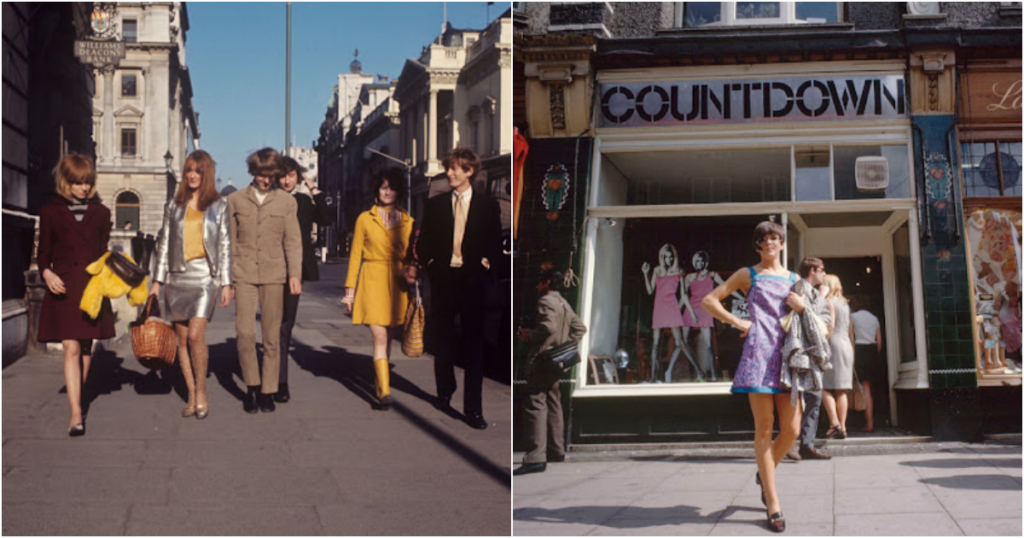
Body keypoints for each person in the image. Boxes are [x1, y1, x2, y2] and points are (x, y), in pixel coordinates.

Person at [701, 220, 802, 533]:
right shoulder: (749, 274)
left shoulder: (796, 279)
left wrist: (801, 307)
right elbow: (709, 300)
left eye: (775, 238)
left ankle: (765, 467)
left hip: (788, 357)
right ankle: (773, 502)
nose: (770, 243)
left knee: (792, 429)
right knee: (764, 426)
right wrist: (737, 322)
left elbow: (817, 320)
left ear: (783, 244)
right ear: (758, 245)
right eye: (764, 239)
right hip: (759, 353)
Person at [409, 147, 502, 430]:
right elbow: (423, 245)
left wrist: (486, 265)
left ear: (469, 172)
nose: (449, 173)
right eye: (448, 168)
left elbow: (495, 245)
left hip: (474, 280)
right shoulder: (436, 206)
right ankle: (444, 391)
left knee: (475, 346)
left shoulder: (488, 206)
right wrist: (434, 265)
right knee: (443, 340)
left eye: (454, 168)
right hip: (444, 279)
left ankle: (473, 409)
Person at [151, 150, 233, 420]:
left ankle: (202, 392)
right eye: (189, 170)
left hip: (204, 278)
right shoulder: (173, 206)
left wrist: (226, 282)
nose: (192, 175)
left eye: (198, 170)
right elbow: (163, 245)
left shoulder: (219, 206)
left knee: (196, 335)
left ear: (206, 173)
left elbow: (225, 246)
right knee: (182, 339)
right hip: (177, 276)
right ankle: (191, 393)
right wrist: (157, 281)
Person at [37, 153, 115, 437]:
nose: (83, 187)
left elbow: (103, 251)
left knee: (84, 347)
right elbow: (43, 252)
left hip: (91, 288)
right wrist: (47, 273)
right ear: (65, 182)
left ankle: (78, 398)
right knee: (70, 347)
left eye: (87, 182)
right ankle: (75, 412)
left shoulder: (102, 213)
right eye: (77, 182)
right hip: (64, 287)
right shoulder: (50, 212)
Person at [226, 147, 302, 414]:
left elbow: (293, 241)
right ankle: (251, 387)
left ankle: (269, 390)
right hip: (243, 273)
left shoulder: (286, 202)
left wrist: (295, 274)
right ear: (253, 171)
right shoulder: (234, 200)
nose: (265, 180)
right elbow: (228, 242)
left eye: (270, 175)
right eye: (261, 174)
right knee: (245, 334)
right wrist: (227, 280)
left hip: (274, 275)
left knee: (272, 336)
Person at [342, 168, 414, 410]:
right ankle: (384, 391)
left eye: (392, 187)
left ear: (398, 191)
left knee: (388, 337)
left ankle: (379, 378)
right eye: (383, 187)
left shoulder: (408, 221)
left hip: (397, 283)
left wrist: (412, 271)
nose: (387, 191)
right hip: (371, 279)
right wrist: (350, 290)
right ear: (377, 189)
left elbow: (411, 257)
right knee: (379, 336)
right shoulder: (364, 218)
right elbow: (355, 257)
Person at [513, 269, 586, 476]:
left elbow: (549, 328)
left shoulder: (546, 301)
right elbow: (580, 328)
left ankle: (535, 457)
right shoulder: (563, 302)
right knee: (554, 402)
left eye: (539, 283)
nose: (537, 287)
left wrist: (530, 335)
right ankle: (556, 450)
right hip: (557, 363)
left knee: (535, 403)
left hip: (542, 360)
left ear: (546, 283)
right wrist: (566, 345)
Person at [276, 156, 334, 403]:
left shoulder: (302, 199)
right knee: (274, 325)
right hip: (271, 268)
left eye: (291, 176)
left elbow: (327, 218)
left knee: (286, 325)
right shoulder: (270, 200)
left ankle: (281, 381)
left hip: (295, 270)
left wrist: (314, 189)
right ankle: (272, 377)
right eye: (282, 176)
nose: (287, 180)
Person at [785, 257, 832, 462]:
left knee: (814, 397)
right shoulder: (798, 289)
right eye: (821, 270)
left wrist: (809, 311)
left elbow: (825, 323)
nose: (824, 274)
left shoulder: (817, 296)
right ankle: (787, 443)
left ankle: (806, 444)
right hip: (799, 350)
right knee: (795, 398)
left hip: (813, 352)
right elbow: (798, 319)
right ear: (812, 270)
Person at [682, 250, 744, 381]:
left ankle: (714, 374)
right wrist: (676, 310)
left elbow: (727, 287)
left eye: (701, 260)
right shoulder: (690, 277)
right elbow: (684, 297)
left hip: (705, 309)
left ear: (705, 262)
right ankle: (699, 371)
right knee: (682, 342)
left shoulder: (712, 275)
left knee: (708, 344)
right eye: (697, 261)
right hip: (690, 310)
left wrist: (743, 298)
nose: (699, 263)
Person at [640, 244, 698, 382]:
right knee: (655, 343)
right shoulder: (657, 270)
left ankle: (699, 372)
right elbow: (650, 291)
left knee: (680, 342)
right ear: (661, 257)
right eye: (666, 257)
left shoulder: (679, 271)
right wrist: (645, 273)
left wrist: (692, 313)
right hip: (659, 306)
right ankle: (653, 378)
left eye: (671, 257)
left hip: (672, 307)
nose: (669, 260)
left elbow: (683, 295)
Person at [821, 274, 853, 440]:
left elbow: (830, 326)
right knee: (842, 389)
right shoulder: (845, 304)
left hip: (832, 345)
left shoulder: (828, 302)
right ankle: (843, 426)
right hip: (846, 346)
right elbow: (850, 331)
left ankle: (834, 424)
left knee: (822, 386)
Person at [850, 296, 883, 432]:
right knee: (868, 388)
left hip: (858, 350)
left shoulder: (852, 317)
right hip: (872, 352)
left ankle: (864, 424)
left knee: (857, 387)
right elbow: (879, 341)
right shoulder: (874, 318)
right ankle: (870, 423)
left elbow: (850, 338)